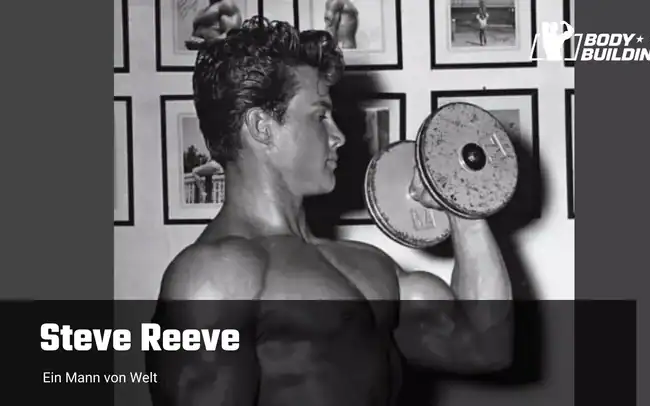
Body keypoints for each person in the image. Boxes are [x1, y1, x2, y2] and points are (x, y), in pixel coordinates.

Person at [147, 16, 514, 406]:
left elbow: (485, 345)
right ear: (262, 127)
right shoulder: (211, 278)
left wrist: (460, 200)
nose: (338, 136)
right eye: (320, 115)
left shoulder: (368, 265)